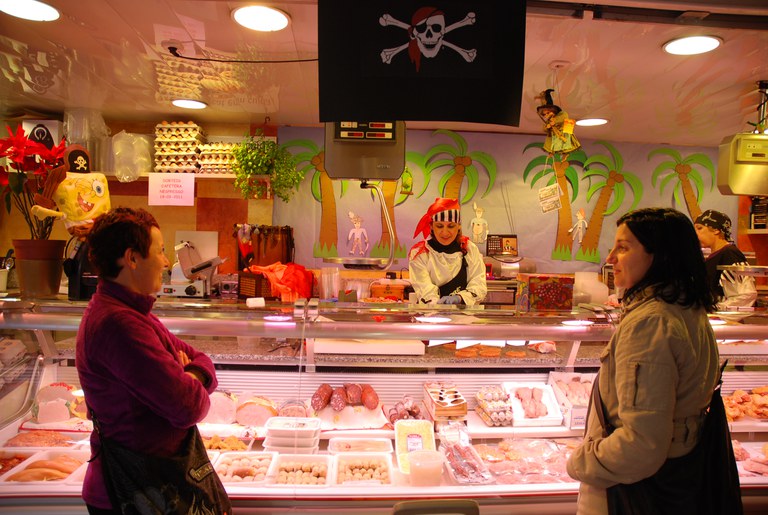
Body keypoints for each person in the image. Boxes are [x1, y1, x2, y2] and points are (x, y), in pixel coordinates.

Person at [566, 207, 721, 513]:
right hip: (679, 476)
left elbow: (641, 445)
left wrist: (580, 463)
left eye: (623, 248)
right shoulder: (687, 307)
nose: (610, 258)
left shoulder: (650, 322)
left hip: (635, 492)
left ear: (659, 255)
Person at [76, 207, 222, 514]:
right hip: (135, 491)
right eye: (161, 251)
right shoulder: (119, 323)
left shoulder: (135, 314)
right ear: (132, 258)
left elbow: (201, 359)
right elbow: (189, 406)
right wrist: (188, 376)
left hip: (153, 484)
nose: (166, 262)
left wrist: (188, 373)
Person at [408, 197, 487, 305]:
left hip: (464, 313)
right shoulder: (420, 253)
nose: (445, 232)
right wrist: (439, 306)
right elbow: (425, 289)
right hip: (431, 313)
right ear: (431, 226)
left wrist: (460, 298)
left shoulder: (469, 249)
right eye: (439, 226)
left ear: (458, 226)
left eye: (451, 226)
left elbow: (479, 284)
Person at [694, 209, 756, 308]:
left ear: (716, 230)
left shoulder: (730, 254)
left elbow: (746, 294)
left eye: (699, 228)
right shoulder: (713, 256)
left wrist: (718, 310)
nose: (695, 233)